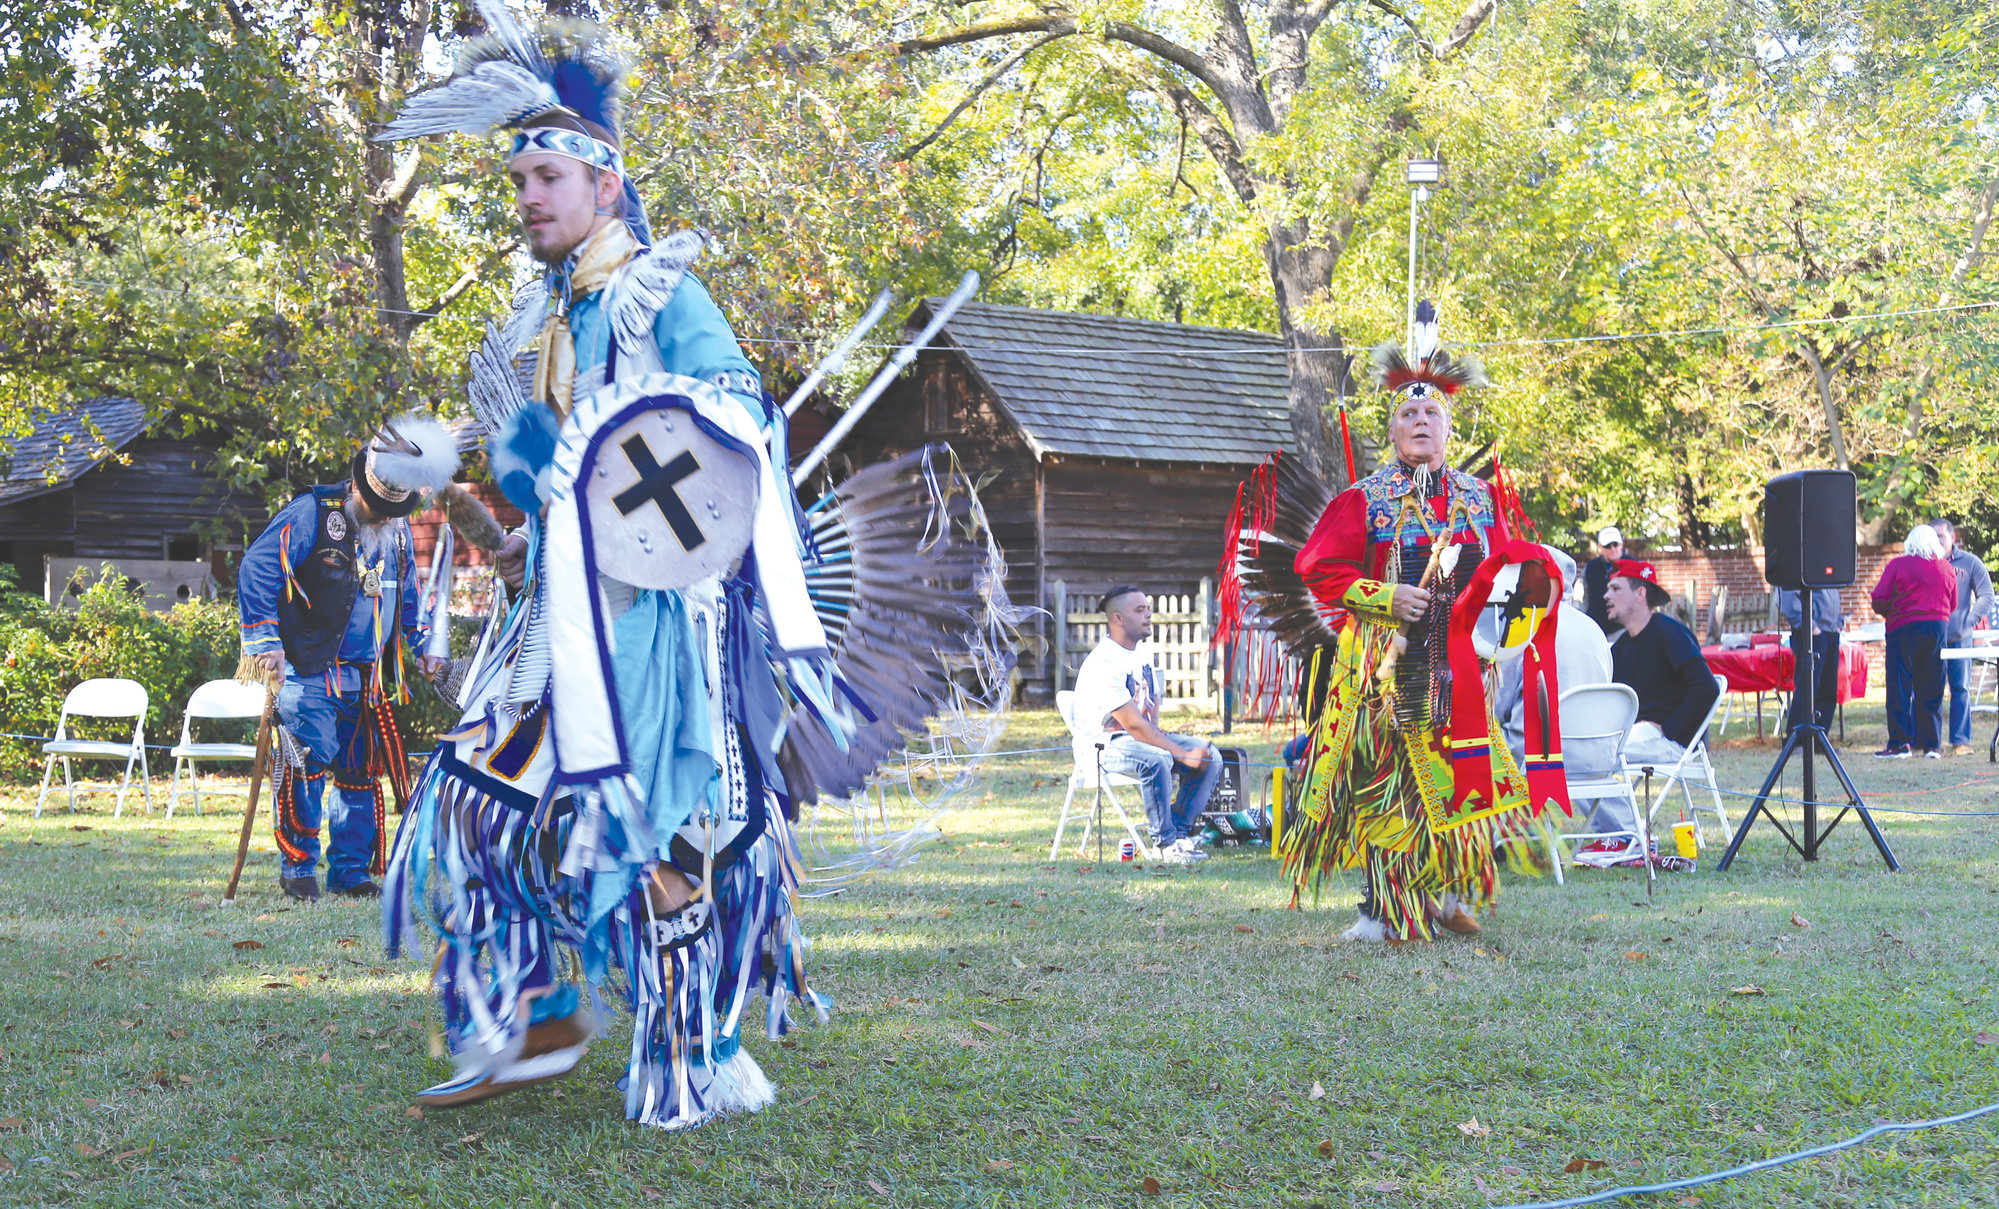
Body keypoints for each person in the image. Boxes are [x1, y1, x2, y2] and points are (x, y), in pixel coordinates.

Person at [372, 12, 990, 1130]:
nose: (526, 198)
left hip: (661, 621)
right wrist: (497, 490)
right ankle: (533, 1018)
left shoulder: (659, 293)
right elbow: (555, 485)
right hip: (558, 617)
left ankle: (689, 1055)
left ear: (605, 187)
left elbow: (739, 411)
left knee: (663, 833)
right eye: (516, 179)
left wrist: (635, 441)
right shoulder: (549, 318)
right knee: (474, 802)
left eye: (546, 175)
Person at [1282, 302, 1545, 945]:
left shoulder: (1480, 498)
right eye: (1409, 413)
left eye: (1432, 413)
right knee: (1390, 776)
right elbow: (1316, 565)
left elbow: (1511, 570)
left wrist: (1514, 613)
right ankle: (1386, 911)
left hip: (1464, 659)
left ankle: (1449, 894)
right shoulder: (1365, 498)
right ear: (1394, 431)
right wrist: (1382, 595)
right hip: (1387, 660)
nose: (1421, 421)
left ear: (1448, 429)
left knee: (1463, 772)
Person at [236, 417, 453, 901]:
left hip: (370, 677)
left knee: (360, 774)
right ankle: (298, 871)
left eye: (389, 512)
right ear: (358, 485)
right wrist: (264, 642)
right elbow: (257, 569)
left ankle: (350, 874)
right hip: (310, 671)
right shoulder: (313, 512)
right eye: (374, 509)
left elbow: (407, 594)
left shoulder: (396, 529)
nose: (381, 518)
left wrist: (418, 647)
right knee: (306, 767)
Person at [1071, 586, 1220, 865]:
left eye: (1147, 608)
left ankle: (1180, 834)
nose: (1148, 614)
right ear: (1117, 619)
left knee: (1211, 755)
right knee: (1159, 756)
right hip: (1101, 747)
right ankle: (1165, 843)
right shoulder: (1103, 662)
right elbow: (1134, 726)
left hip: (1135, 739)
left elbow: (1152, 701)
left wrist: (1165, 736)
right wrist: (1179, 751)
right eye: (1139, 610)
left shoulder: (1142, 651)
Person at [1604, 559, 1720, 772]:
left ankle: (1621, 806)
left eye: (1616, 588)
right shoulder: (1621, 647)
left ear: (1640, 594)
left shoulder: (1671, 633)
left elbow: (1706, 688)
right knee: (1585, 752)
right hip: (1636, 736)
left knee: (1597, 755)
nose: (1606, 596)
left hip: (1671, 743)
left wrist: (1669, 729)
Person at [1871, 524, 1956, 758]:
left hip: (1903, 629)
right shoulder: (1946, 568)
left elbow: (1879, 598)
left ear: (1910, 542)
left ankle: (1900, 743)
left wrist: (1893, 613)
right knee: (1932, 685)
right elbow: (1954, 602)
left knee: (1900, 685)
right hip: (1937, 628)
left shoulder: (1898, 565)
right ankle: (1931, 745)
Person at [1930, 519, 1993, 755]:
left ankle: (1960, 741)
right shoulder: (1926, 562)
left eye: (1941, 536)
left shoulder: (1969, 563)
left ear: (1952, 537)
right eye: (1932, 536)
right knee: (1928, 691)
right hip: (1931, 638)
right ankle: (1929, 743)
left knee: (1960, 689)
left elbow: (1986, 595)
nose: (1936, 541)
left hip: (1959, 636)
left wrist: (1969, 622)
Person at [1777, 586, 1843, 731]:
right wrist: (1810, 627)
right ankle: (1798, 739)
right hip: (1810, 634)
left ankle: (1820, 740)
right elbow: (1788, 602)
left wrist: (1839, 623)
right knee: (1807, 689)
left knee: (1828, 689)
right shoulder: (1798, 566)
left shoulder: (1826, 567)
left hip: (1831, 633)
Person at [1580, 527, 1623, 634]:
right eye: (1608, 546)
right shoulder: (1590, 568)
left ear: (1622, 544)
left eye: (1615, 544)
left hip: (1623, 629)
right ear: (1600, 547)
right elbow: (1584, 599)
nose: (1613, 549)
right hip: (1595, 629)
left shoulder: (1634, 566)